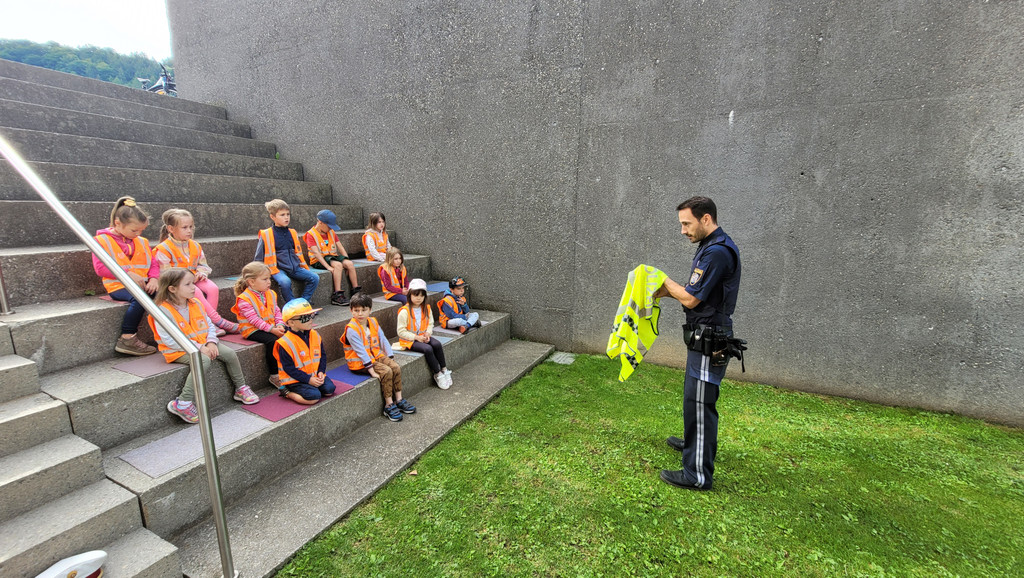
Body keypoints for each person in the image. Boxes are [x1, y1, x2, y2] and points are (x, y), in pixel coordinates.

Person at [653, 196, 741, 491]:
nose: (683, 230)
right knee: (694, 398)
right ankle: (694, 443)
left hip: (711, 337)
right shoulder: (709, 247)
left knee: (701, 403)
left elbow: (691, 297)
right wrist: (665, 294)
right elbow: (695, 293)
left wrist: (663, 281)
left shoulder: (717, 252)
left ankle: (698, 474)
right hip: (702, 335)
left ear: (706, 219)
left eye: (686, 223)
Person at [150, 268, 259, 424]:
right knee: (203, 360)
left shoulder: (195, 303)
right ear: (172, 289)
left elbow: (208, 324)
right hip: (177, 350)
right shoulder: (162, 310)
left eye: (193, 283)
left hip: (202, 343)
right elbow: (170, 340)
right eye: (187, 284)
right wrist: (200, 347)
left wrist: (211, 342)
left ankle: (241, 388)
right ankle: (183, 402)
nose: (194, 287)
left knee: (229, 354)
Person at [153, 208, 239, 335]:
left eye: (191, 227)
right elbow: (166, 274)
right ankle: (218, 321)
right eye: (184, 227)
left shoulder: (195, 245)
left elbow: (203, 264)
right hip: (177, 283)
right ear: (171, 229)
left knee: (213, 288)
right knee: (195, 291)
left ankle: (208, 322)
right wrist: (189, 279)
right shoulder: (163, 249)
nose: (189, 231)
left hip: (195, 278)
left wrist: (201, 273)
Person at [92, 196, 158, 356]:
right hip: (118, 286)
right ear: (117, 224)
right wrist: (128, 274)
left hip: (143, 283)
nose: (138, 234)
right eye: (134, 230)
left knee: (167, 293)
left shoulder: (141, 241)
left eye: (141, 230)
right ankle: (127, 337)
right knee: (139, 298)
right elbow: (100, 269)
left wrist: (155, 278)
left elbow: (153, 263)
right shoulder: (102, 241)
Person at [341, 292, 416, 421]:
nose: (360, 314)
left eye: (364, 310)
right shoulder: (351, 329)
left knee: (395, 367)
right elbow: (361, 352)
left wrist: (390, 357)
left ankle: (399, 399)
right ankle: (389, 405)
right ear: (351, 311)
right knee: (386, 371)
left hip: (375, 355)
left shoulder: (373, 322)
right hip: (360, 363)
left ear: (370, 310)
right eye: (356, 310)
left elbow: (382, 339)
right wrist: (371, 371)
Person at [231, 261, 287, 386]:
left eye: (269, 279)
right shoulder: (244, 299)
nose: (269, 282)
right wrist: (272, 330)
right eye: (265, 279)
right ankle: (274, 375)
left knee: (292, 334)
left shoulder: (271, 293)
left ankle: (291, 368)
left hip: (270, 326)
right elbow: (254, 320)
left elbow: (277, 311)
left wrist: (280, 325)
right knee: (272, 341)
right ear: (251, 281)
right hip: (252, 329)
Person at [253, 198, 319, 302]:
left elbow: (297, 253)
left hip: (294, 267)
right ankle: (292, 306)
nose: (286, 217)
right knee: (285, 282)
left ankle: (303, 302)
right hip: (277, 269)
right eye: (282, 215)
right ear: (272, 217)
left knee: (314, 278)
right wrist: (257, 274)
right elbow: (258, 257)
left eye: (288, 214)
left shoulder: (292, 232)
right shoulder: (266, 234)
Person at [273, 298, 336, 405]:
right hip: (295, 380)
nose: (310, 320)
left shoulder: (314, 334)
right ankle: (286, 392)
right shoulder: (285, 342)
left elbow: (322, 356)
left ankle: (312, 385)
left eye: (311, 316)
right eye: (304, 318)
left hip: (314, 375)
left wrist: (321, 372)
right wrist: (308, 380)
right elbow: (289, 368)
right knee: (314, 398)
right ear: (291, 323)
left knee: (329, 390)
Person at [397, 278, 452, 389]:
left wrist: (428, 333)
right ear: (410, 295)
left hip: (423, 336)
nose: (419, 298)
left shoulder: (426, 308)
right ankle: (437, 373)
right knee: (428, 349)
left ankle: (444, 369)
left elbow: (430, 323)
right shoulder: (404, 311)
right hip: (409, 340)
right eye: (416, 295)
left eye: (422, 296)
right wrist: (416, 337)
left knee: (437, 344)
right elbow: (400, 331)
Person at [305, 209, 361, 306]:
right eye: (329, 226)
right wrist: (328, 267)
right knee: (338, 265)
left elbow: (340, 247)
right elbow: (316, 253)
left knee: (350, 264)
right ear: (320, 222)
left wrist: (346, 260)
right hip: (318, 260)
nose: (331, 229)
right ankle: (337, 295)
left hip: (332, 257)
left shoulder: (331, 232)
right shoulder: (310, 234)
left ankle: (355, 291)